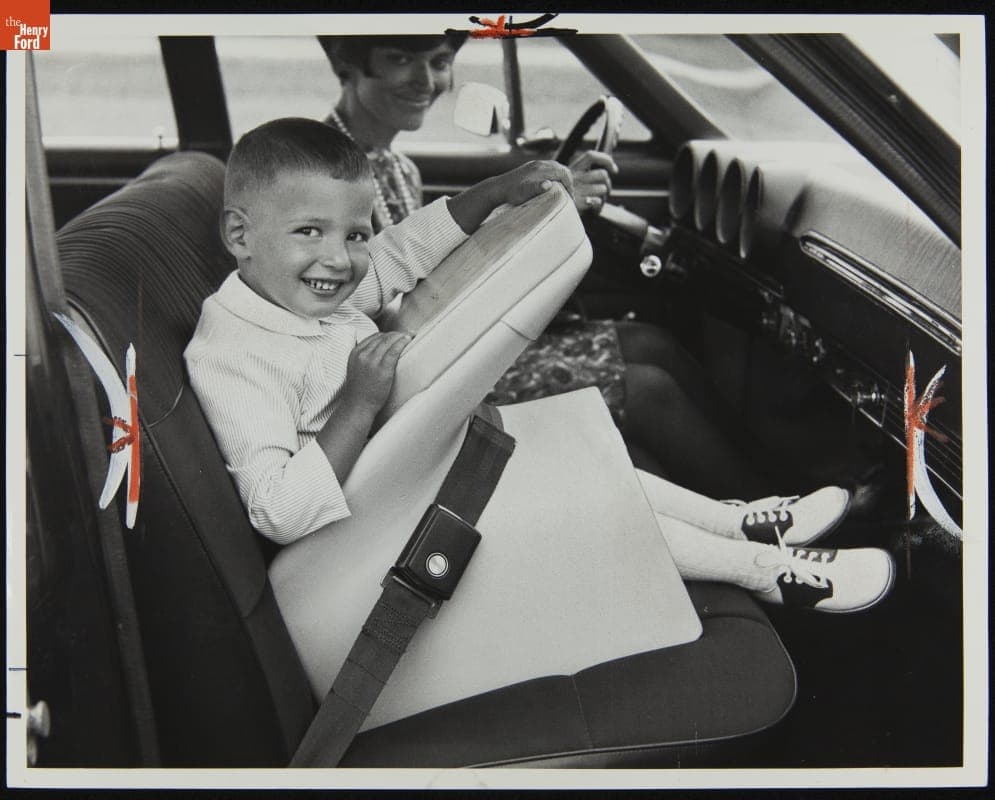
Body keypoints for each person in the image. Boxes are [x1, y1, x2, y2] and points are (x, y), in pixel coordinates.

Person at [184, 118, 895, 613]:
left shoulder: (304, 291)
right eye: (310, 231)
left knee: (574, 440)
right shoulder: (233, 354)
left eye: (352, 233)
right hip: (367, 539)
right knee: (583, 488)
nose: (338, 259)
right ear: (239, 234)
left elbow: (400, 250)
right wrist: (358, 405)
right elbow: (277, 511)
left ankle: (737, 522)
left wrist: (494, 192)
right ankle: (771, 573)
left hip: (414, 473)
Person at [315, 33, 810, 502]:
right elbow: (381, 293)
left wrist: (538, 201)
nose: (426, 80)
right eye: (402, 58)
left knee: (652, 343)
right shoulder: (327, 171)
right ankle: (767, 508)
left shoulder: (398, 166)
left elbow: (434, 266)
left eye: (440, 62)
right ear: (346, 63)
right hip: (417, 376)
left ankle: (780, 483)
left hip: (448, 339)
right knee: (647, 388)